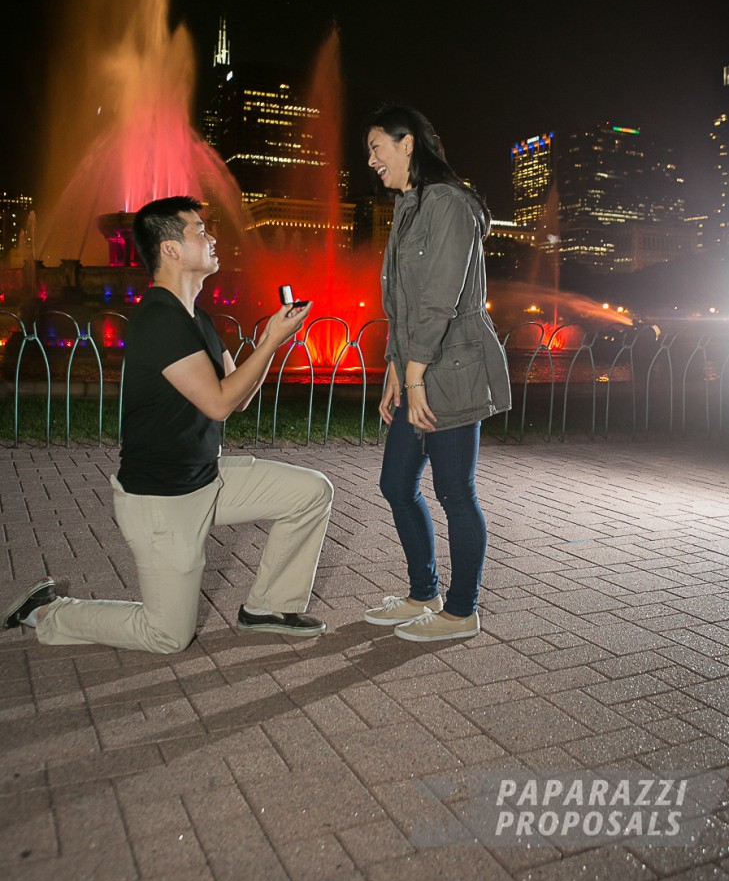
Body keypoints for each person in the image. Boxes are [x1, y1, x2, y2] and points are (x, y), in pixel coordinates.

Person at [2, 196, 332, 651]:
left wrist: (269, 341)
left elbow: (237, 399)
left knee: (311, 491)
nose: (213, 237)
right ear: (171, 249)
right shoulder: (159, 319)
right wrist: (273, 341)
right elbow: (218, 404)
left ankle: (269, 606)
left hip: (206, 479)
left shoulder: (196, 317)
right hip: (163, 499)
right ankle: (44, 611)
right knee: (168, 636)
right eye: (200, 230)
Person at [363, 106, 510, 641]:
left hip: (454, 366)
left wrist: (416, 375)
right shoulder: (409, 206)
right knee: (396, 484)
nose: (372, 160)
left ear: (408, 144)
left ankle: (462, 610)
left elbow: (439, 299)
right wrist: (394, 371)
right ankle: (423, 593)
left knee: (453, 490)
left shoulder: (448, 204)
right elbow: (403, 303)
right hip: (421, 367)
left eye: (377, 146)